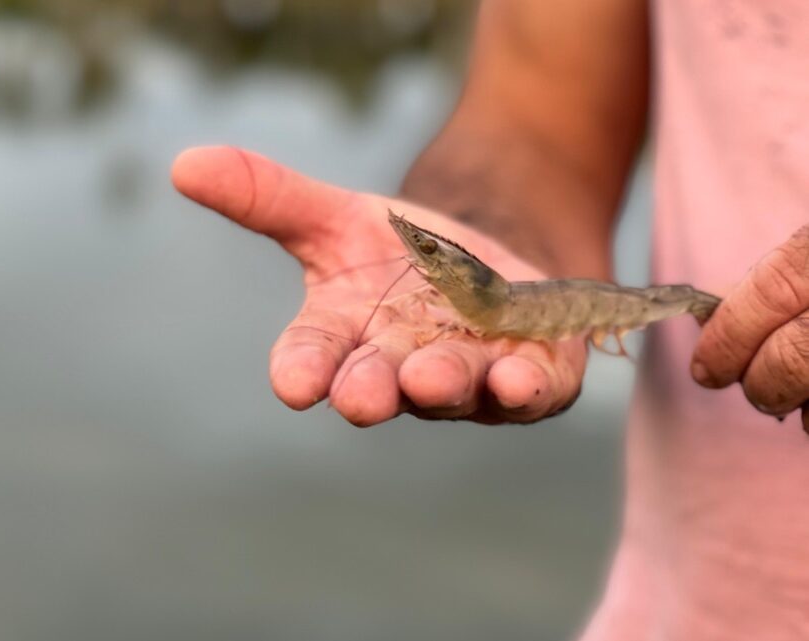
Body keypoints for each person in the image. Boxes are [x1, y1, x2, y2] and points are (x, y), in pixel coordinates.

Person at [172, 1, 809, 638]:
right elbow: (535, 121)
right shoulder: (464, 293)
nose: (420, 259)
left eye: (427, 255)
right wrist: (480, 227)